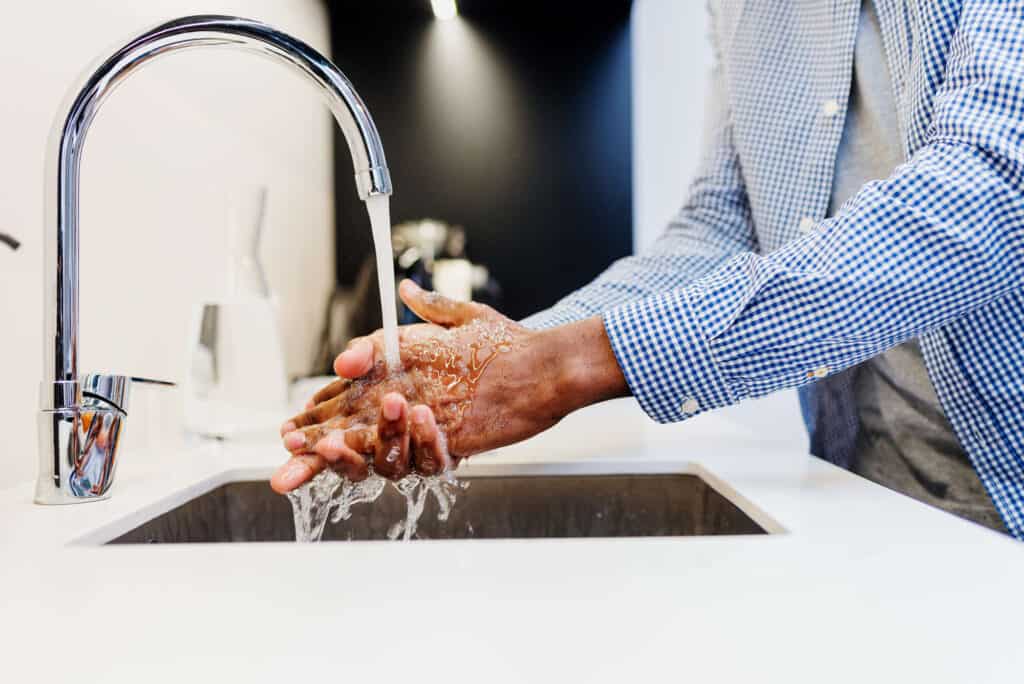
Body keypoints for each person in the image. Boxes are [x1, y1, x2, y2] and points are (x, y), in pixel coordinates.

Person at [273, 1, 1024, 540]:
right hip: (873, 491)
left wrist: (561, 367)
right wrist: (502, 360)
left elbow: (989, 189)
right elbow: (721, 223)